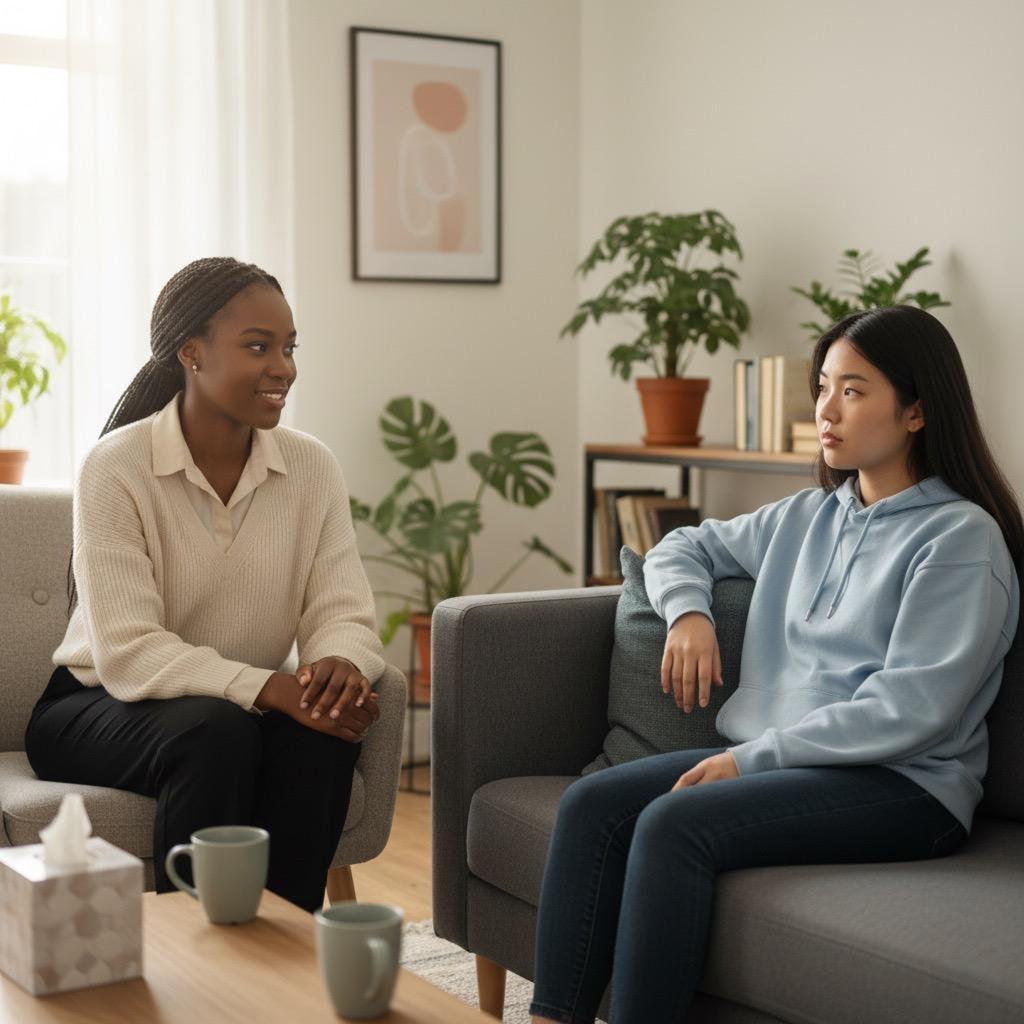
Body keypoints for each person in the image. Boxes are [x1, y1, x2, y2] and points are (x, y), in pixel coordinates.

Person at [529, 305, 1022, 1024]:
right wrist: (689, 615)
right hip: (783, 765)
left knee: (673, 823)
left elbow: (911, 709)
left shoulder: (959, 539)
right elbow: (680, 547)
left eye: (852, 391)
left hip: (905, 786)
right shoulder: (808, 515)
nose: (826, 410)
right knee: (591, 806)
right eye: (822, 388)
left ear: (917, 411)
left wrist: (752, 759)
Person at [24, 257, 384, 913]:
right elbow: (128, 651)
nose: (284, 368)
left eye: (289, 348)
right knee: (215, 731)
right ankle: (198, 952)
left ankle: (283, 943)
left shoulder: (312, 466)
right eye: (258, 347)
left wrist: (338, 664)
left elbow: (342, 607)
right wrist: (273, 688)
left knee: (321, 731)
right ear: (191, 353)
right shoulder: (116, 467)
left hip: (233, 708)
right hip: (95, 705)